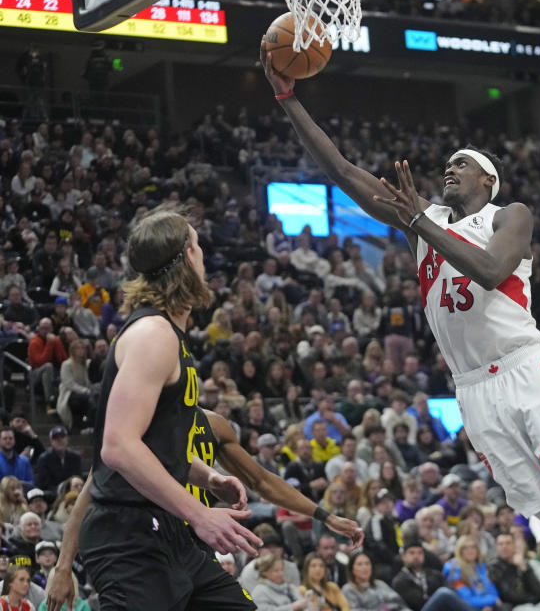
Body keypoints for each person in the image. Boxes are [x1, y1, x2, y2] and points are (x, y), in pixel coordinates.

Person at [261, 44, 540, 611]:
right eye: (447, 164)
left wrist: (416, 222)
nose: (449, 168)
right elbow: (340, 170)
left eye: (462, 163)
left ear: (488, 180)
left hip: (527, 372)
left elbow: (488, 270)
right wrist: (287, 96)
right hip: (475, 390)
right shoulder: (420, 218)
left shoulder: (510, 215)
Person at [72, 206, 264, 610]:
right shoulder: (153, 335)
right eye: (197, 247)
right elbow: (119, 446)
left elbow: (154, 442)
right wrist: (201, 513)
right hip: (129, 537)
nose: (204, 256)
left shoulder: (168, 333)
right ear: (184, 260)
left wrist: (207, 477)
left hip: (166, 531)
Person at [47, 402, 363, 610]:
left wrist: (324, 515)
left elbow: (262, 481)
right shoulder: (138, 427)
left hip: (195, 546)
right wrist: (63, 568)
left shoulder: (211, 424)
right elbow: (88, 497)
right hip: (147, 545)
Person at [487, 532, 540, 610]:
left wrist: (524, 569)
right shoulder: (494, 567)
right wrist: (532, 599)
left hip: (533, 603)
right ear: (497, 547)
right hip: (514, 607)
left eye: (508, 543)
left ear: (514, 545)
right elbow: (509, 595)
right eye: (500, 544)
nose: (504, 547)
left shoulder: (522, 562)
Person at [393, 542, 472, 611]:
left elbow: (452, 591)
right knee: (443, 593)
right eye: (412, 553)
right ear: (404, 557)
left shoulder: (434, 574)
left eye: (420, 553)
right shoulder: (400, 581)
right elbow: (417, 603)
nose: (416, 556)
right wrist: (438, 598)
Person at [341, 552, 411, 611]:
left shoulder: (380, 584)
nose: (364, 567)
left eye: (367, 563)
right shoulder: (348, 589)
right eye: (360, 564)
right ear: (352, 569)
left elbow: (400, 602)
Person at [33, 428, 81, 493]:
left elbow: (78, 477)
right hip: (52, 495)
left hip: (73, 493)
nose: (59, 440)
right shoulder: (44, 459)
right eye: (56, 438)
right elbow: (44, 484)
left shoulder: (75, 458)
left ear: (67, 439)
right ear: (51, 441)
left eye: (62, 437)